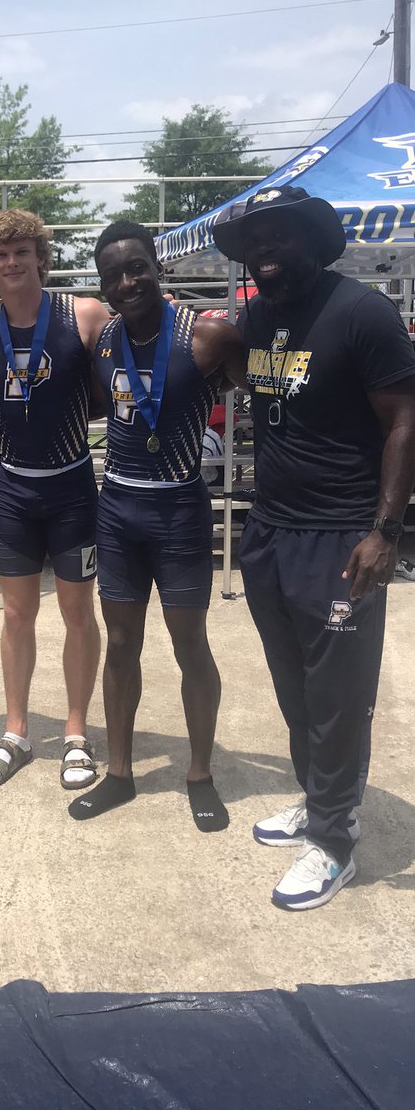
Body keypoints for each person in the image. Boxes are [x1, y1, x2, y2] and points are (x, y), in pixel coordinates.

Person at [212, 185, 415, 910]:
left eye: (281, 236)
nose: (267, 250)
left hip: (342, 536)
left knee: (338, 697)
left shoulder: (361, 312)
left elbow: (403, 421)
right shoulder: (258, 318)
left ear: (312, 239)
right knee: (296, 687)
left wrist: (384, 532)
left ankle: (334, 841)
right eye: (256, 239)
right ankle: (317, 799)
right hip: (270, 532)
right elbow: (252, 383)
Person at [68, 221, 246, 829]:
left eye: (138, 266)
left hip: (178, 507)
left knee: (189, 643)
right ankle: (119, 772)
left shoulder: (209, 336)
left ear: (157, 268)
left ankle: (199, 772)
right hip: (117, 508)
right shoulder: (105, 341)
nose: (128, 280)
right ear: (104, 284)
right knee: (119, 643)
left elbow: (269, 390)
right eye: (115, 273)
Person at [0, 210, 112, 790]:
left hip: (71, 487)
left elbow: (142, 340)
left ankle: (75, 733)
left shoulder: (84, 314)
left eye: (21, 251)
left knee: (76, 614)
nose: (11, 262)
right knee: (17, 615)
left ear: (41, 256)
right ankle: (16, 730)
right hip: (14, 489)